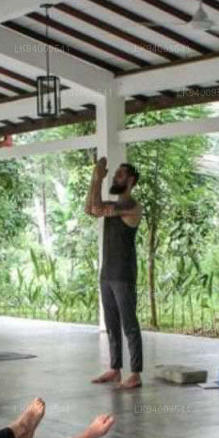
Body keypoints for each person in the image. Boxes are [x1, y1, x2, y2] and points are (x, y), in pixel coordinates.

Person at [86, 157, 144, 390]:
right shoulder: (114, 205)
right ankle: (115, 368)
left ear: (130, 181)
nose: (115, 177)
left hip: (123, 274)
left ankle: (136, 374)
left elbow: (97, 208)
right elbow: (90, 209)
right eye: (115, 174)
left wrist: (97, 179)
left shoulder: (131, 206)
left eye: (120, 175)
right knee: (111, 323)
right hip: (108, 273)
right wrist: (95, 179)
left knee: (129, 324)